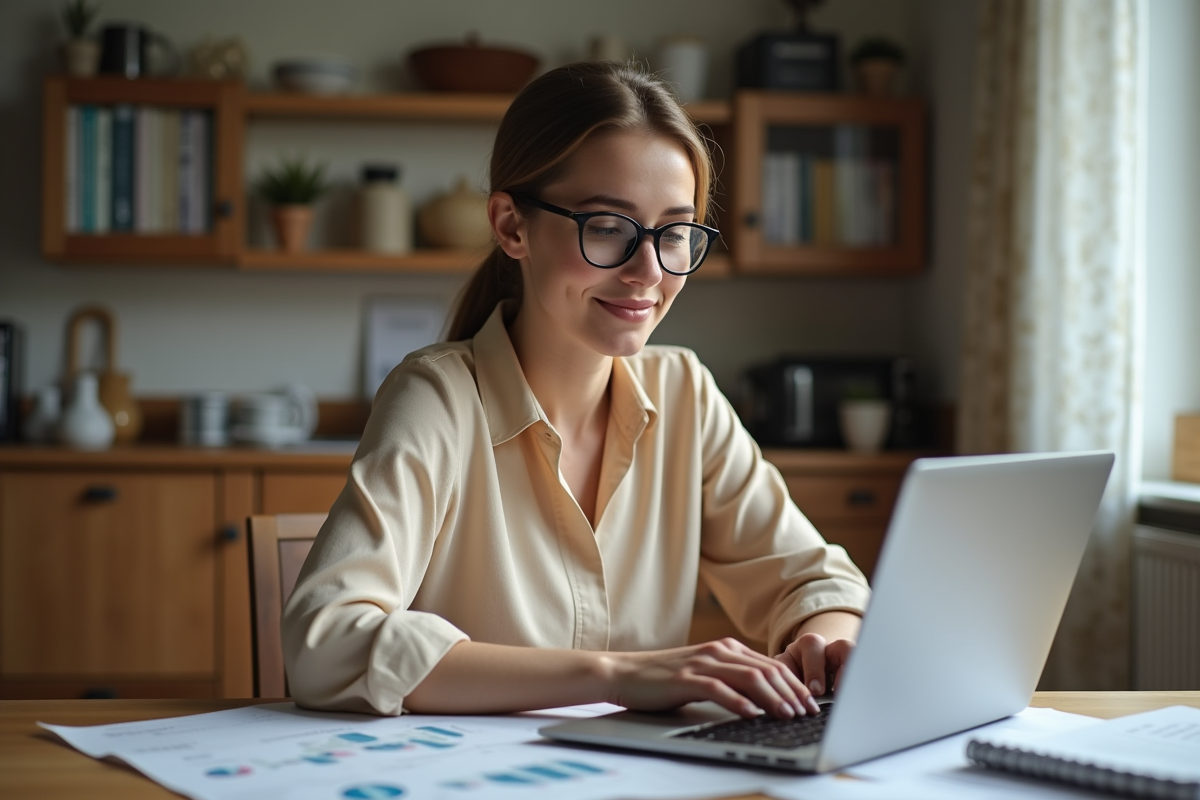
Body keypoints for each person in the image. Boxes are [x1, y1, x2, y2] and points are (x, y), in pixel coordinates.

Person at [282, 61, 870, 721]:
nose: (649, 271)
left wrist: (828, 646)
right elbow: (323, 641)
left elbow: (816, 581)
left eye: (674, 232)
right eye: (609, 227)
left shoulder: (684, 393)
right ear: (511, 226)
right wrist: (615, 675)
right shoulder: (438, 397)